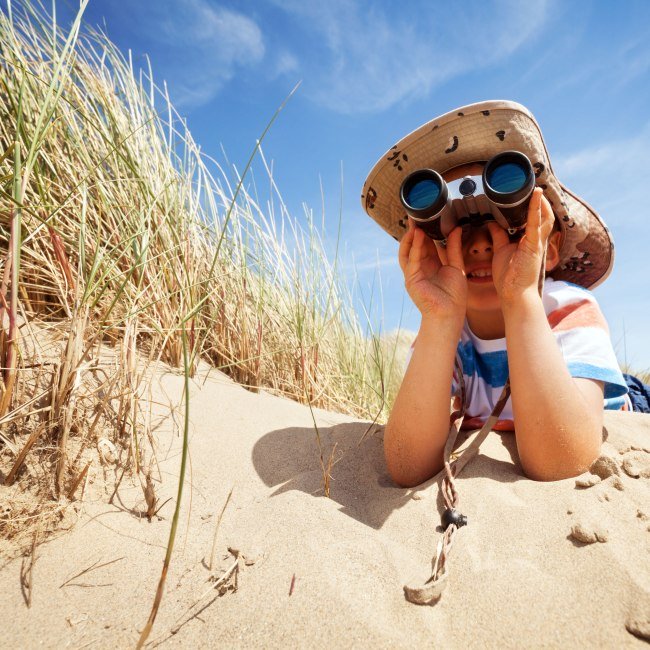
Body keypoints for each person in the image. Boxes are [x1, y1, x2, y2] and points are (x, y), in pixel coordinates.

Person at [361, 100, 630, 487]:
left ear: (548, 247)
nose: (482, 243)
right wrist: (440, 318)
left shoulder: (569, 309)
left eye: (506, 221)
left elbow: (561, 461)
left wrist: (520, 298)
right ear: (425, 244)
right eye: (454, 226)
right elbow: (407, 466)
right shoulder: (447, 335)